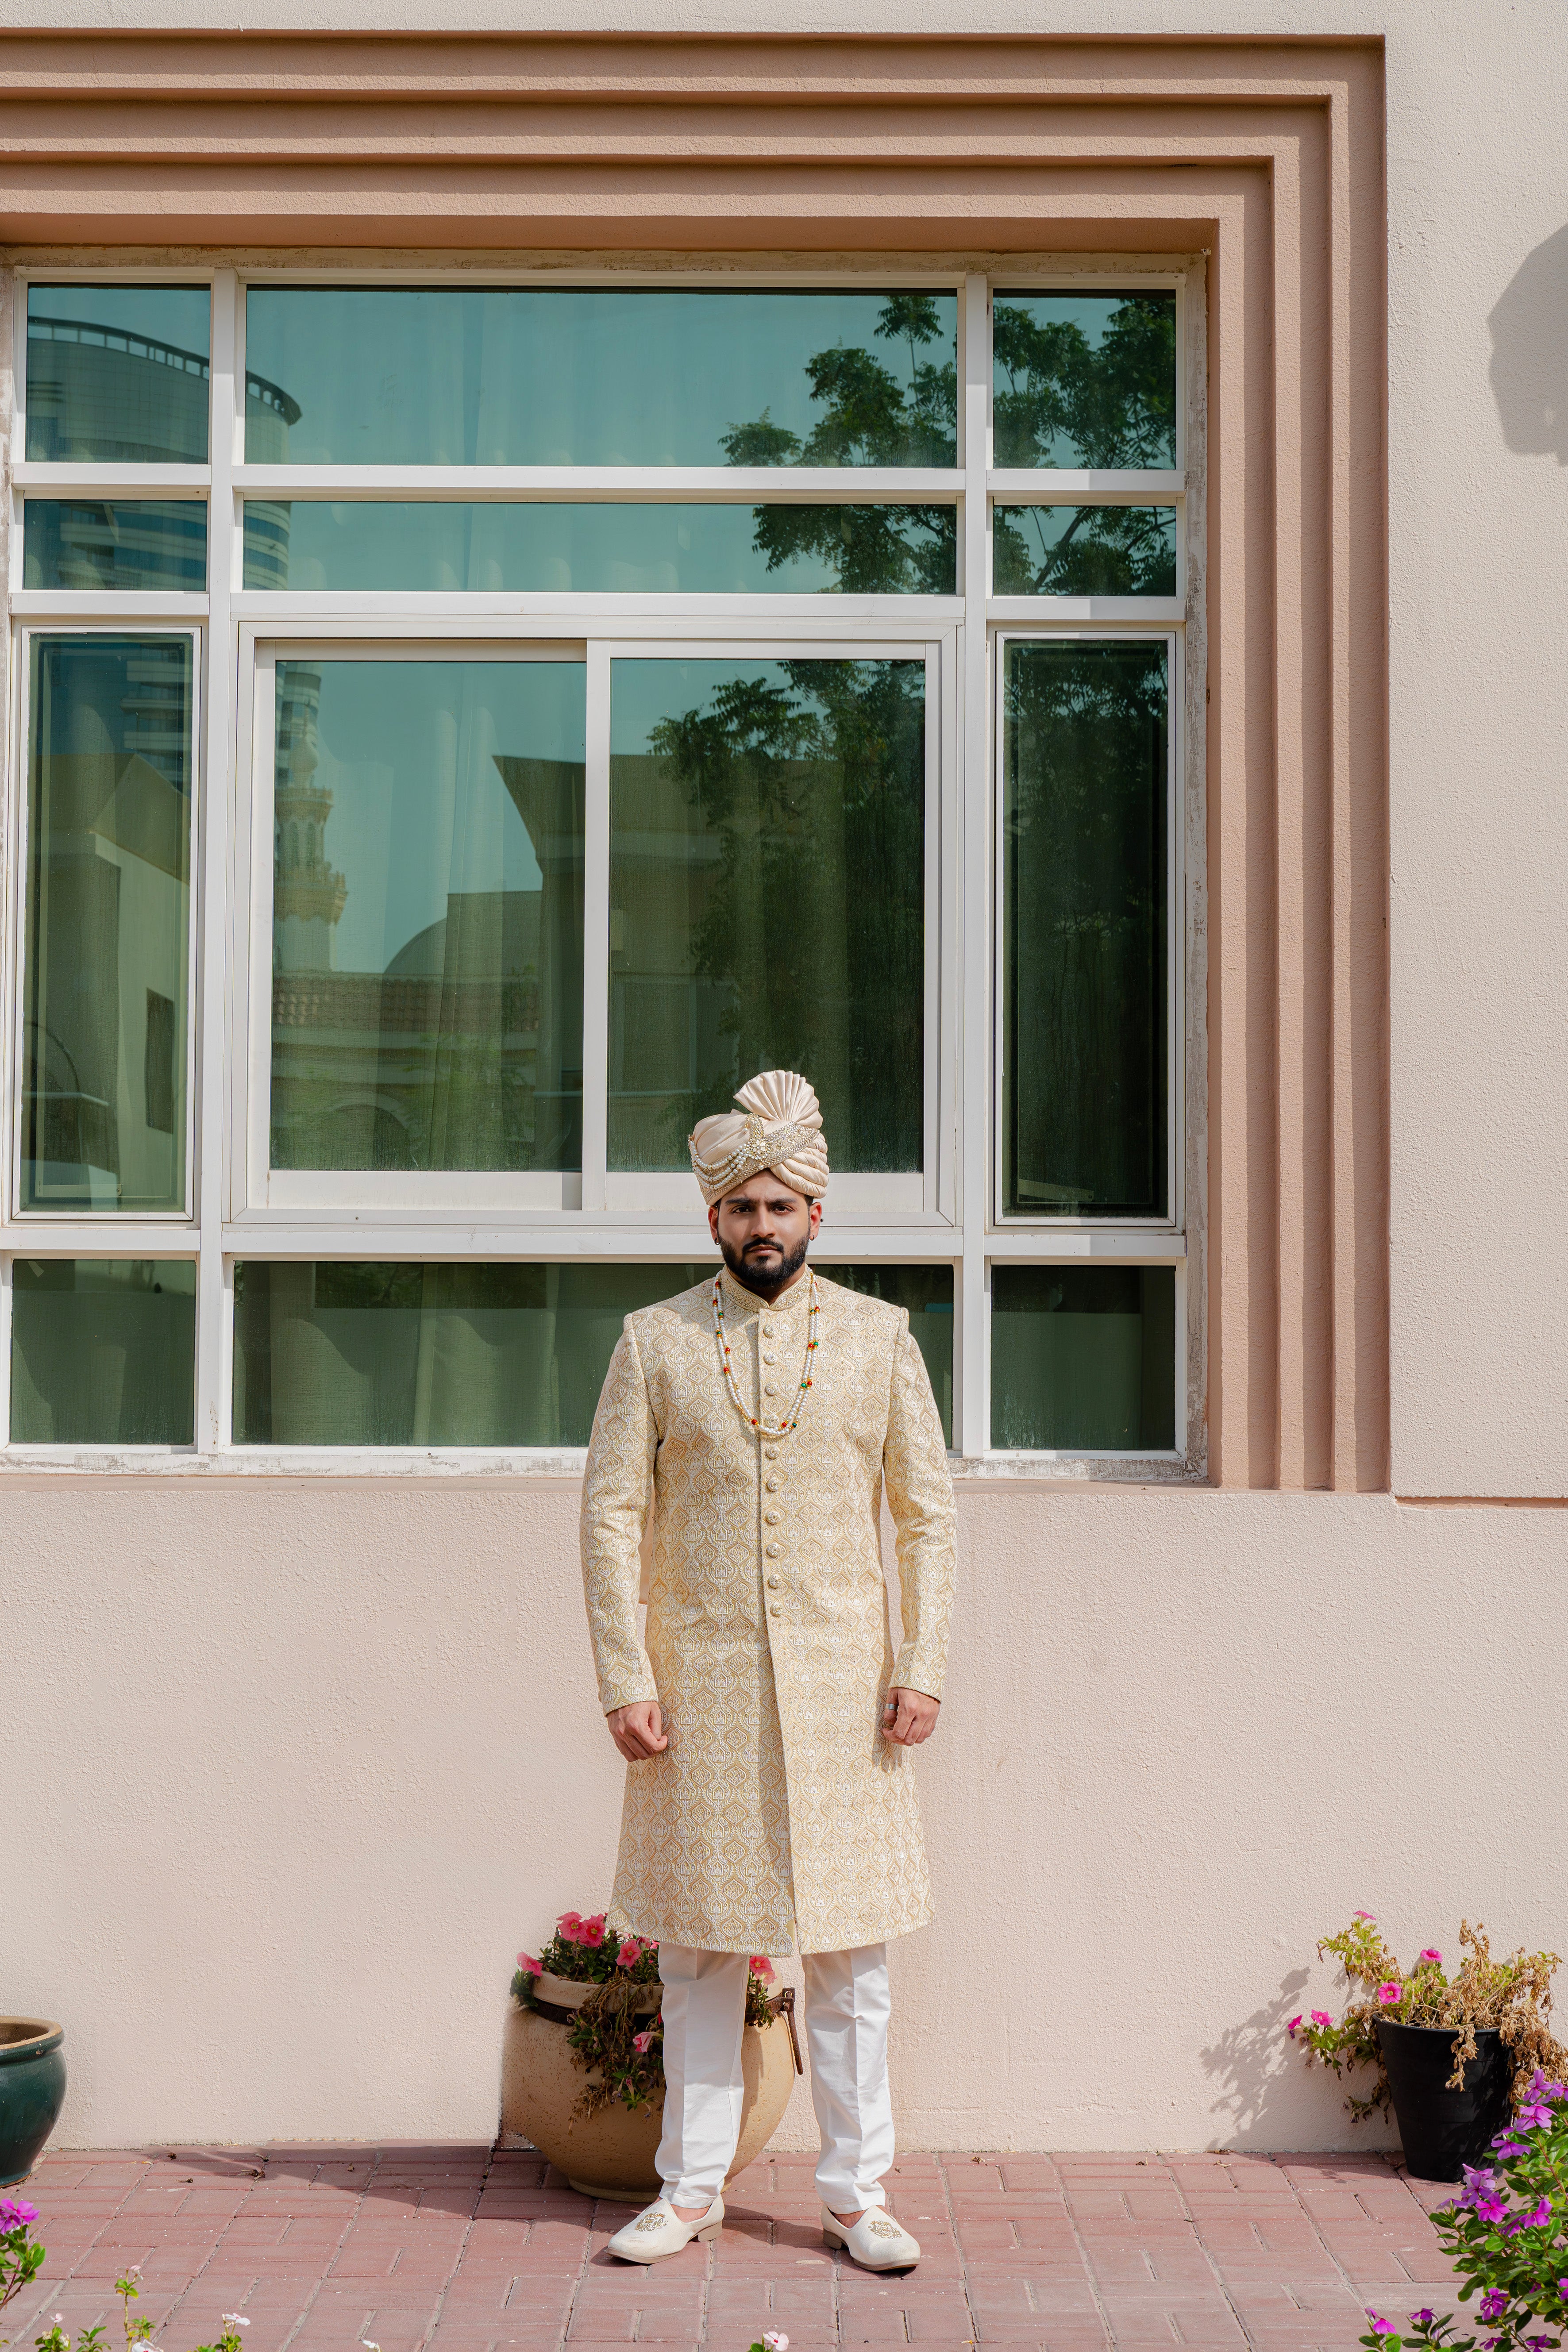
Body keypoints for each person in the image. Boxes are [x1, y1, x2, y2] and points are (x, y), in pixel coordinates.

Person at [580, 1067, 956, 2272]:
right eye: (742, 1206)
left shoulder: (882, 1339)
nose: (762, 1226)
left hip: (851, 1697)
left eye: (782, 1205)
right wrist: (625, 1674)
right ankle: (689, 2189)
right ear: (713, 1219)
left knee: (850, 1956)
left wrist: (923, 1660)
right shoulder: (656, 1343)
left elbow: (928, 1517)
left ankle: (859, 2194)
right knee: (696, 1952)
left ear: (815, 1213)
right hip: (703, 1697)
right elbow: (608, 1517)